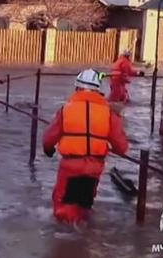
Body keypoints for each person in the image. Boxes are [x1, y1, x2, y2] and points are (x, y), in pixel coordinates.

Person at [42, 69, 129, 224]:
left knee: (63, 210)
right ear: (98, 90)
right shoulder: (109, 113)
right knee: (84, 207)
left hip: (70, 167)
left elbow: (48, 138)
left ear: (77, 88)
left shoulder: (65, 110)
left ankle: (67, 243)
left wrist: (49, 149)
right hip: (94, 169)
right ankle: (83, 241)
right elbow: (121, 147)